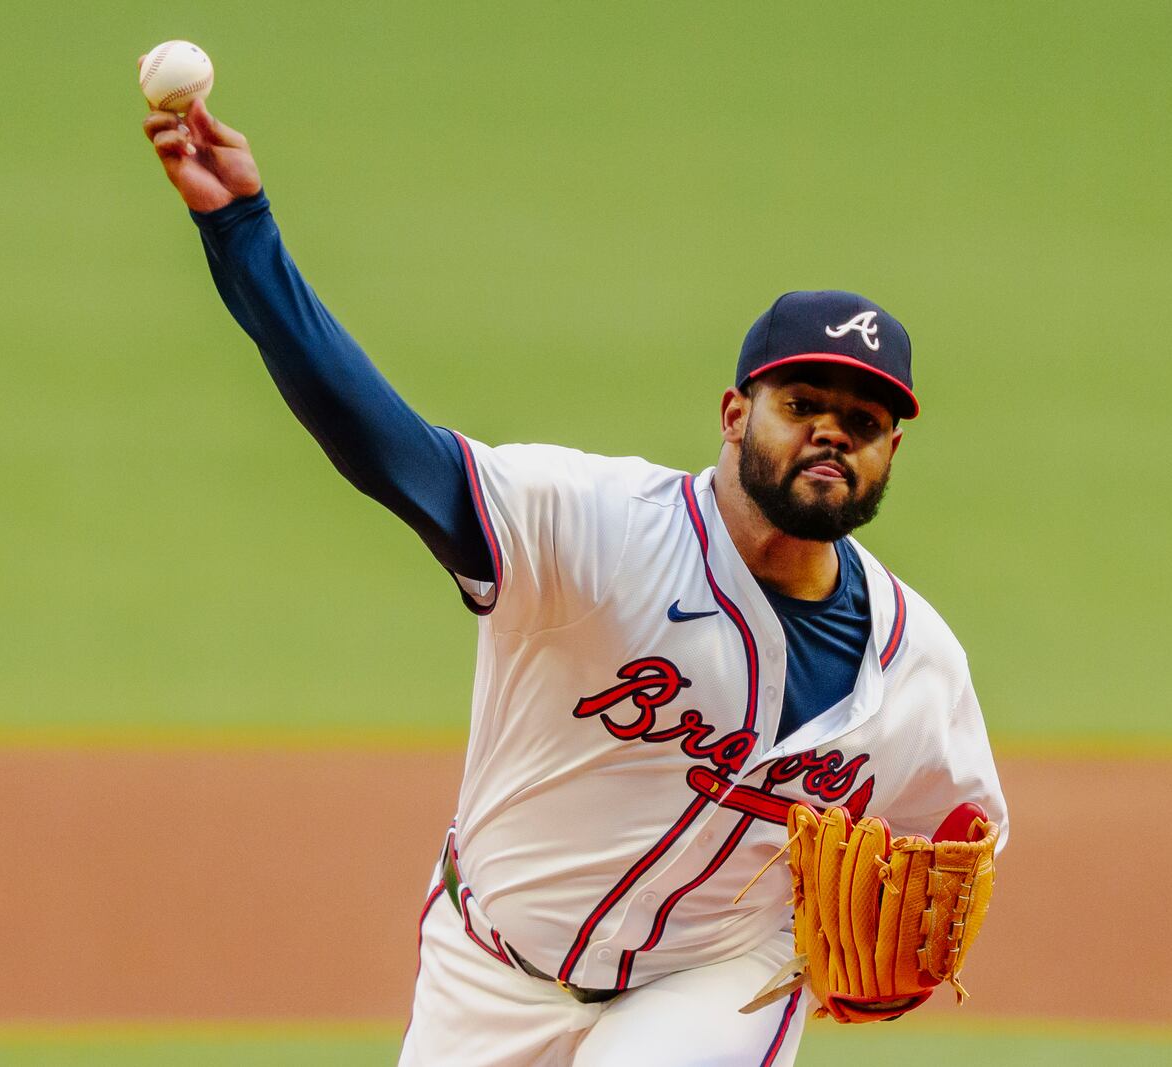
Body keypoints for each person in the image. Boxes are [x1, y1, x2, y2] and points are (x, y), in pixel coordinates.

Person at [142, 99, 1009, 1067]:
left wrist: (908, 952)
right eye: (802, 403)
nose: (831, 434)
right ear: (732, 413)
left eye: (863, 421)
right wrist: (241, 233)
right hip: (488, 963)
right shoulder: (595, 529)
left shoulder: (918, 662)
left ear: (892, 448)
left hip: (711, 982)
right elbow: (386, 446)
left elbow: (960, 832)